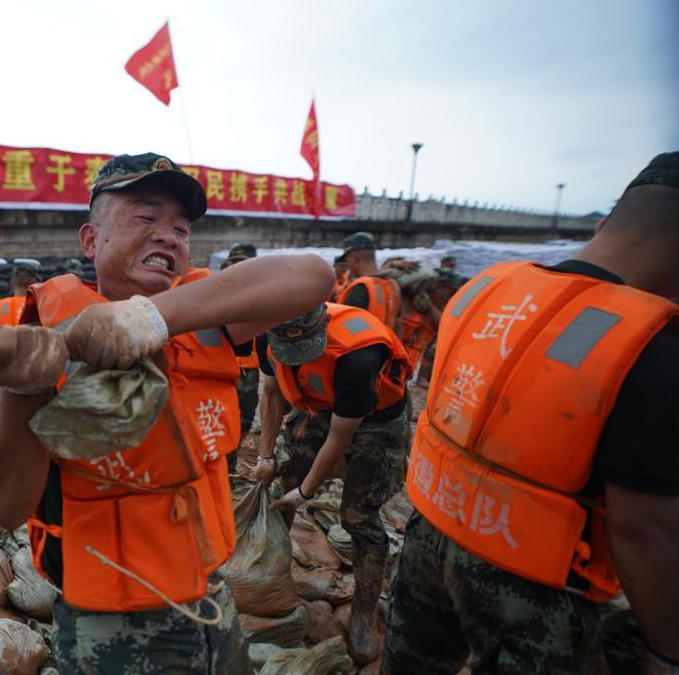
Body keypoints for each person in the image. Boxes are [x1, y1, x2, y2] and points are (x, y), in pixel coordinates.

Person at [0, 152, 334, 673]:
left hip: (211, 596)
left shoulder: (206, 315)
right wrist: (25, 394)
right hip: (111, 626)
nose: (168, 236)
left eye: (181, 229)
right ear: (91, 240)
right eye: (146, 218)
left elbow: (313, 276)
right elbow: (5, 509)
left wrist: (149, 318)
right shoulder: (45, 341)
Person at [384, 153, 679, 674]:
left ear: (606, 220)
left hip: (430, 533)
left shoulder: (485, 291)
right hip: (536, 580)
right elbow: (646, 529)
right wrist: (665, 651)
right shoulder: (652, 346)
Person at [253, 301, 411, 665]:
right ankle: (270, 578)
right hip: (318, 405)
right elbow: (272, 393)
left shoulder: (359, 357)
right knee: (281, 482)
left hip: (375, 419)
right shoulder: (268, 332)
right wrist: (265, 457)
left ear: (322, 320)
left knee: (359, 516)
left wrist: (305, 493)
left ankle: (363, 614)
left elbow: (339, 439)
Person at [220, 241, 265, 474]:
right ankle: (218, 466)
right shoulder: (215, 289)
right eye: (235, 263)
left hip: (249, 368)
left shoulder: (262, 292)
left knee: (244, 420)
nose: (239, 269)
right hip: (219, 365)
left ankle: (228, 465)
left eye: (244, 264)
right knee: (218, 417)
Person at [338, 231, 401, 329]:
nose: (348, 265)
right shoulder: (392, 285)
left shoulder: (360, 289)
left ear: (355, 258)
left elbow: (348, 330)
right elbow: (398, 326)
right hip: (387, 342)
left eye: (347, 260)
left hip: (365, 343)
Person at [0, 262, 40, 326]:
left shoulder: (2, 305)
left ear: (12, 281)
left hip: (6, 335)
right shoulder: (40, 306)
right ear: (35, 283)